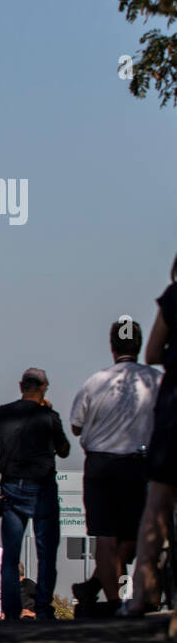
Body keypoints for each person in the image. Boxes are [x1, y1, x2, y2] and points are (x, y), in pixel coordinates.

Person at [69, 319, 160, 615]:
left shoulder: (96, 381)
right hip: (138, 463)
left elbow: (76, 425)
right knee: (137, 534)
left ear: (112, 346)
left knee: (105, 536)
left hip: (100, 464)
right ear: (140, 343)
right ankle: (112, 590)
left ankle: (110, 600)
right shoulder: (153, 380)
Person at [0, 367, 71, 622]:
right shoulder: (48, 415)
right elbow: (64, 450)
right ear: (44, 388)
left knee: (10, 556)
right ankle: (42, 609)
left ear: (21, 386)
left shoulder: (3, 413)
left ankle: (10, 611)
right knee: (46, 553)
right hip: (42, 488)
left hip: (12, 487)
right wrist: (49, 413)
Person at [125, 251, 177, 616]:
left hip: (175, 409)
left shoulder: (173, 297)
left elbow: (154, 350)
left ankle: (143, 594)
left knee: (157, 503)